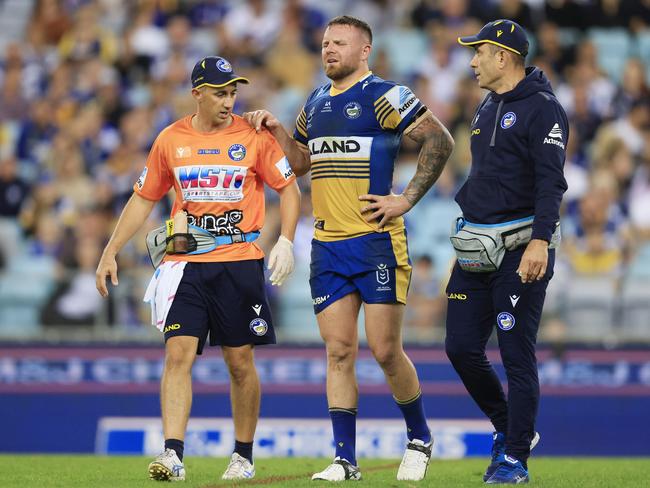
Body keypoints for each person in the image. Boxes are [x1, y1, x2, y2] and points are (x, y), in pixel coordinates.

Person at [244, 15, 454, 482]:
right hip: (328, 246)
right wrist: (278, 130)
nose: (328, 50)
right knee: (338, 352)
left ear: (365, 51)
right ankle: (345, 460)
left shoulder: (384, 95)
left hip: (377, 241)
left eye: (339, 43)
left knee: (384, 350)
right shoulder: (315, 101)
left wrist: (406, 198)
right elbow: (298, 164)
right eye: (324, 43)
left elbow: (440, 140)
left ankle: (419, 437)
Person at [95, 56, 300, 482]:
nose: (230, 101)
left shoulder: (253, 135)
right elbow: (143, 198)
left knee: (240, 362)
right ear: (198, 94)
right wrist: (111, 249)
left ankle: (242, 456)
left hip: (239, 263)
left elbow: (289, 187)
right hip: (184, 263)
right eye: (221, 93)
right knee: (177, 355)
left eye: (233, 92)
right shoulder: (170, 139)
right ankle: (172, 454)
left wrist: (285, 240)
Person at [448, 20, 568, 484]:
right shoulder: (485, 105)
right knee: (459, 347)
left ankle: (515, 458)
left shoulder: (544, 109)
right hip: (476, 246)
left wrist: (540, 240)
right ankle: (510, 427)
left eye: (478, 52)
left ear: (503, 56)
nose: (472, 60)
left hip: (521, 249)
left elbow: (550, 182)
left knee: (516, 354)